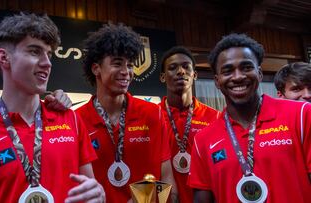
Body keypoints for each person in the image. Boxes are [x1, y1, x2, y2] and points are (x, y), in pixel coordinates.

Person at [0, 12, 105, 203]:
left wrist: (98, 195)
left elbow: (90, 190)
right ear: (4, 58)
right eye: (35, 51)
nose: (47, 63)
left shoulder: (70, 120)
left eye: (49, 54)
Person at [187, 33, 311, 203]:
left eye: (246, 67)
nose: (238, 77)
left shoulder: (302, 115)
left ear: (259, 73)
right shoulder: (203, 140)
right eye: (228, 70)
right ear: (217, 81)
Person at [76, 23, 178, 202]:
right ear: (96, 68)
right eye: (117, 64)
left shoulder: (153, 113)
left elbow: (167, 179)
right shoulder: (77, 120)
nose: (126, 72)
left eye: (130, 65)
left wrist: (151, 200)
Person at [159, 46, 220, 203]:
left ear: (195, 75)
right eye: (173, 68)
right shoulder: (152, 117)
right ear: (163, 77)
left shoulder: (214, 117)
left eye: (186, 67)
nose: (181, 71)